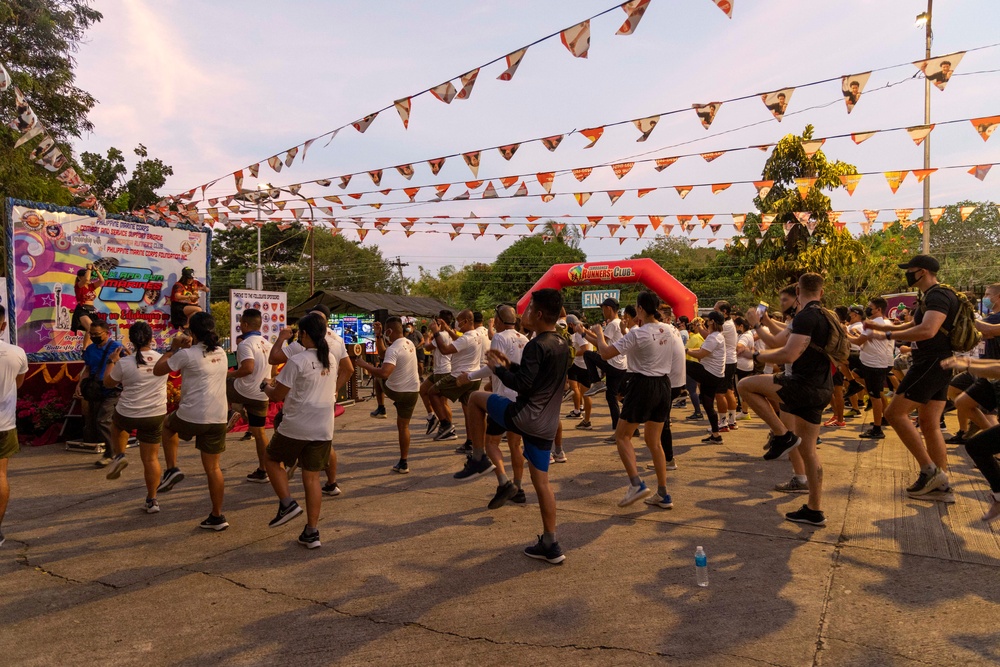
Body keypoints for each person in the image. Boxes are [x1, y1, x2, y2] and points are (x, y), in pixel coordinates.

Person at [460, 288, 571, 564]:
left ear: (539, 313)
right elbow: (534, 377)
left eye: (529, 308)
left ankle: (478, 458)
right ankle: (551, 543)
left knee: (475, 398)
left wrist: (498, 370)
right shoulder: (561, 344)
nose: (525, 313)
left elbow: (522, 385)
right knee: (542, 483)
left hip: (524, 416)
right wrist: (509, 365)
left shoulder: (536, 344)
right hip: (546, 424)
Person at [740, 272, 834, 527]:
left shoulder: (806, 316)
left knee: (745, 385)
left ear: (798, 293)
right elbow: (776, 340)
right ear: (822, 292)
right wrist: (760, 324)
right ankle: (814, 509)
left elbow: (788, 354)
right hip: (823, 388)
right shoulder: (825, 315)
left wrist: (755, 356)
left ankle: (782, 435)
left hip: (802, 385)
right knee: (809, 451)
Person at [863, 255, 958, 501]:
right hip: (938, 363)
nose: (907, 274)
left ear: (923, 272)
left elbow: (928, 330)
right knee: (929, 423)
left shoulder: (937, 296)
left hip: (930, 362)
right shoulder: (930, 297)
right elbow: (911, 326)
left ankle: (930, 471)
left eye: (911, 270)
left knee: (894, 413)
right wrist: (883, 329)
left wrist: (884, 336)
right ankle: (941, 483)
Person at [262, 313, 352, 548]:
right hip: (323, 427)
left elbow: (277, 396)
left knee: (271, 459)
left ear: (304, 334)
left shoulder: (298, 361)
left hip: (296, 424)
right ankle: (312, 531)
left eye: (299, 332)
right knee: (311, 477)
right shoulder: (331, 359)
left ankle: (287, 503)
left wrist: (265, 386)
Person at [591, 292, 674, 508]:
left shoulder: (638, 333)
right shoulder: (670, 330)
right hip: (664, 385)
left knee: (622, 436)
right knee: (654, 441)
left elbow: (606, 353)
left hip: (642, 385)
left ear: (639, 309)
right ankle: (663, 493)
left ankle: (636, 484)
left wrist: (599, 334)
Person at [153, 312, 230, 530]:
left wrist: (173, 348)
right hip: (217, 417)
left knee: (167, 425)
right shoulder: (221, 353)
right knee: (213, 468)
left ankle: (172, 469)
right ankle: (217, 516)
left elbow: (158, 370)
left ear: (192, 332)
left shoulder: (186, 355)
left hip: (192, 414)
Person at [269, 303, 353, 497]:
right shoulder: (338, 341)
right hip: (325, 406)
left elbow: (274, 359)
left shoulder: (304, 343)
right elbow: (348, 369)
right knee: (324, 444)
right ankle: (331, 483)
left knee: (278, 442)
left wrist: (282, 339)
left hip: (301, 407)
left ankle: (285, 474)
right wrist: (333, 389)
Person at [457, 304, 530, 506]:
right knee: (515, 445)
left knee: (491, 443)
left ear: (498, 320)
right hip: (519, 399)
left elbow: (493, 366)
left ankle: (504, 482)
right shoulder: (524, 339)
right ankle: (518, 487)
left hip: (503, 398)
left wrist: (468, 376)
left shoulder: (499, 337)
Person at [102, 321, 169, 512]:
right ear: (151, 338)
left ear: (131, 340)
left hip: (128, 413)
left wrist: (112, 361)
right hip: (154, 414)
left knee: (117, 424)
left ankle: (120, 454)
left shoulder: (124, 362)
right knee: (151, 459)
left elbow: (107, 383)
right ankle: (152, 499)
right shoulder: (162, 359)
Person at [355, 317, 420, 474]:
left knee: (378, 375)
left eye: (385, 332)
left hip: (397, 391)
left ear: (390, 331)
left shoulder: (394, 349)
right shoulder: (408, 343)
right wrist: (378, 336)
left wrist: (365, 365)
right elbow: (384, 353)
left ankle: (381, 408)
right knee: (404, 427)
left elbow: (385, 373)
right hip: (413, 392)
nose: (385, 334)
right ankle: (403, 462)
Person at [226, 309, 273, 483]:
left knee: (221, 383)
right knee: (259, 432)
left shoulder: (245, 344)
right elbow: (273, 370)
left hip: (244, 390)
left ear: (245, 325)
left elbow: (247, 368)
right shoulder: (267, 344)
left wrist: (228, 374)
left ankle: (232, 411)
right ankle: (263, 470)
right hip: (262, 394)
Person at [428, 309, 483, 447]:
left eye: (459, 322)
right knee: (468, 412)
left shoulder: (467, 338)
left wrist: (436, 332)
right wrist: (447, 329)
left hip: (459, 376)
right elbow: (460, 341)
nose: (457, 325)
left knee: (432, 392)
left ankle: (445, 425)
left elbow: (445, 349)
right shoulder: (476, 335)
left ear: (465, 321)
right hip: (473, 377)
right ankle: (471, 442)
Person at [75, 320, 123, 466]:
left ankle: (111, 453)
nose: (94, 336)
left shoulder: (117, 348)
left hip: (113, 389)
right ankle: (113, 450)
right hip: (95, 389)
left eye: (97, 334)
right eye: (91, 334)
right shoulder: (90, 349)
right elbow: (88, 369)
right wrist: (79, 384)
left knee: (103, 419)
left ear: (107, 333)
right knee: (97, 420)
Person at [0, 305, 28, 547]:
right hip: (4, 424)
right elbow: (19, 382)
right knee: (1, 474)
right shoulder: (17, 352)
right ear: (3, 325)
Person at [581, 298, 628, 442]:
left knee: (587, 354)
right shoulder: (616, 324)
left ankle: (596, 382)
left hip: (613, 364)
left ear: (608, 308)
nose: (602, 311)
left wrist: (583, 334)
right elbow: (600, 339)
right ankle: (632, 425)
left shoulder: (613, 324)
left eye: (603, 308)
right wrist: (586, 332)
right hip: (621, 365)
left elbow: (600, 344)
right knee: (616, 396)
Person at [685, 311, 727, 442]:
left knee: (684, 363)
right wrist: (699, 326)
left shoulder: (714, 337)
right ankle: (716, 435)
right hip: (715, 374)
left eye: (708, 320)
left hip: (709, 373)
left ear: (712, 322)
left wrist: (684, 350)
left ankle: (677, 389)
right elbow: (706, 337)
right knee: (708, 404)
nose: (706, 322)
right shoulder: (716, 335)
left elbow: (701, 354)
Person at [858, 298, 895, 440]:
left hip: (873, 364)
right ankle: (883, 419)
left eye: (870, 307)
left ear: (878, 309)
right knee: (877, 394)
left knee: (875, 397)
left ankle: (877, 429)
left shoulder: (874, 324)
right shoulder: (884, 323)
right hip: (877, 362)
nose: (868, 309)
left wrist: (845, 334)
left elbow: (858, 341)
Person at [713, 301, 740, 431]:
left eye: (715, 310)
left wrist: (699, 327)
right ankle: (731, 421)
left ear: (724, 312)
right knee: (729, 390)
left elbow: (710, 337)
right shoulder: (728, 324)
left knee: (720, 393)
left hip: (726, 362)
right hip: (730, 360)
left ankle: (723, 423)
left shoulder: (726, 326)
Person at [565, 313, 594, 430]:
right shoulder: (582, 329)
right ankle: (580, 411)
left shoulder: (578, 332)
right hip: (581, 365)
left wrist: (571, 354)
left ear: (571, 324)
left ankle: (586, 419)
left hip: (584, 366)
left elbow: (585, 349)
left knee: (586, 393)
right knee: (578, 389)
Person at [71, 263, 105, 349]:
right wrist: (89, 269)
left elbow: (102, 281)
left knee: (96, 329)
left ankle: (91, 347)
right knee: (90, 328)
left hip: (91, 310)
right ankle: (84, 349)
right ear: (79, 277)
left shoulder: (91, 286)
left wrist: (96, 270)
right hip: (82, 310)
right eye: (85, 275)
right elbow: (86, 279)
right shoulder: (79, 286)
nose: (89, 277)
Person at [684, 318, 705, 420]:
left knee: (692, 390)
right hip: (697, 364)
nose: (691, 326)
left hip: (691, 365)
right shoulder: (701, 336)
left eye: (692, 325)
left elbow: (684, 349)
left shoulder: (695, 337)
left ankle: (698, 412)